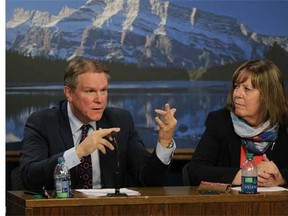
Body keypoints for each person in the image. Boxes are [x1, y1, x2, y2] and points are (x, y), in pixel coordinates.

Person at [20, 57, 177, 190]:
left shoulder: (120, 121)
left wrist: (164, 143)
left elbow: (148, 179)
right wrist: (79, 151)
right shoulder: (43, 122)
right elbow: (29, 178)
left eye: (103, 90)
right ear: (69, 93)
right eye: (90, 91)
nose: (100, 99)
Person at [185, 59, 288, 187]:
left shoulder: (284, 124)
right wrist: (245, 174)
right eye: (236, 86)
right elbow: (195, 171)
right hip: (229, 205)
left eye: (247, 89)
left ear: (268, 95)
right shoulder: (221, 122)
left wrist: (281, 178)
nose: (237, 94)